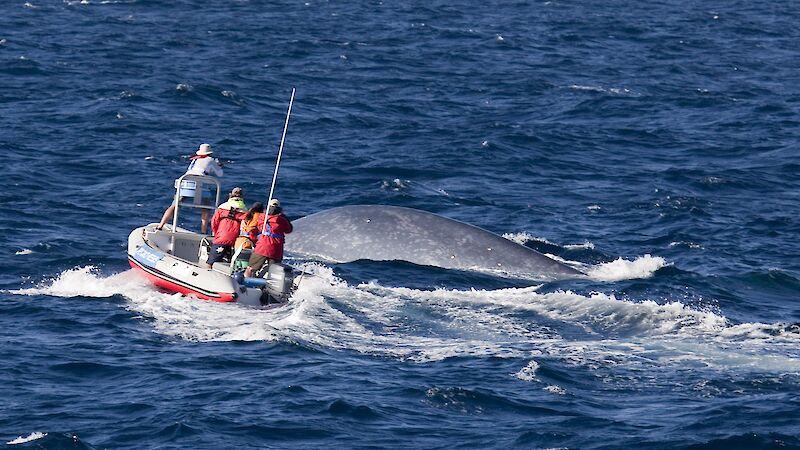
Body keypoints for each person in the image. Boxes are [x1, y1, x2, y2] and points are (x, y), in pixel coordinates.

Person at [156, 143, 224, 233]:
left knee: (174, 206)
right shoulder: (210, 160)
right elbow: (220, 174)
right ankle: (203, 231)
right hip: (200, 187)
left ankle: (161, 225)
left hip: (185, 185)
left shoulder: (194, 160)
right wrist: (218, 166)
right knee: (206, 208)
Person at [245, 199, 292, 277]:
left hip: (263, 246)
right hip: (276, 247)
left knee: (251, 268)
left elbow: (260, 228)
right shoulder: (282, 220)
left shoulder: (262, 217)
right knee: (274, 270)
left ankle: (246, 282)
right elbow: (289, 230)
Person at [206, 187, 247, 268]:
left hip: (222, 237)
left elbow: (214, 222)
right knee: (230, 263)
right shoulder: (245, 210)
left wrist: (216, 233)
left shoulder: (222, 207)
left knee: (211, 262)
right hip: (235, 240)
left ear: (230, 195)